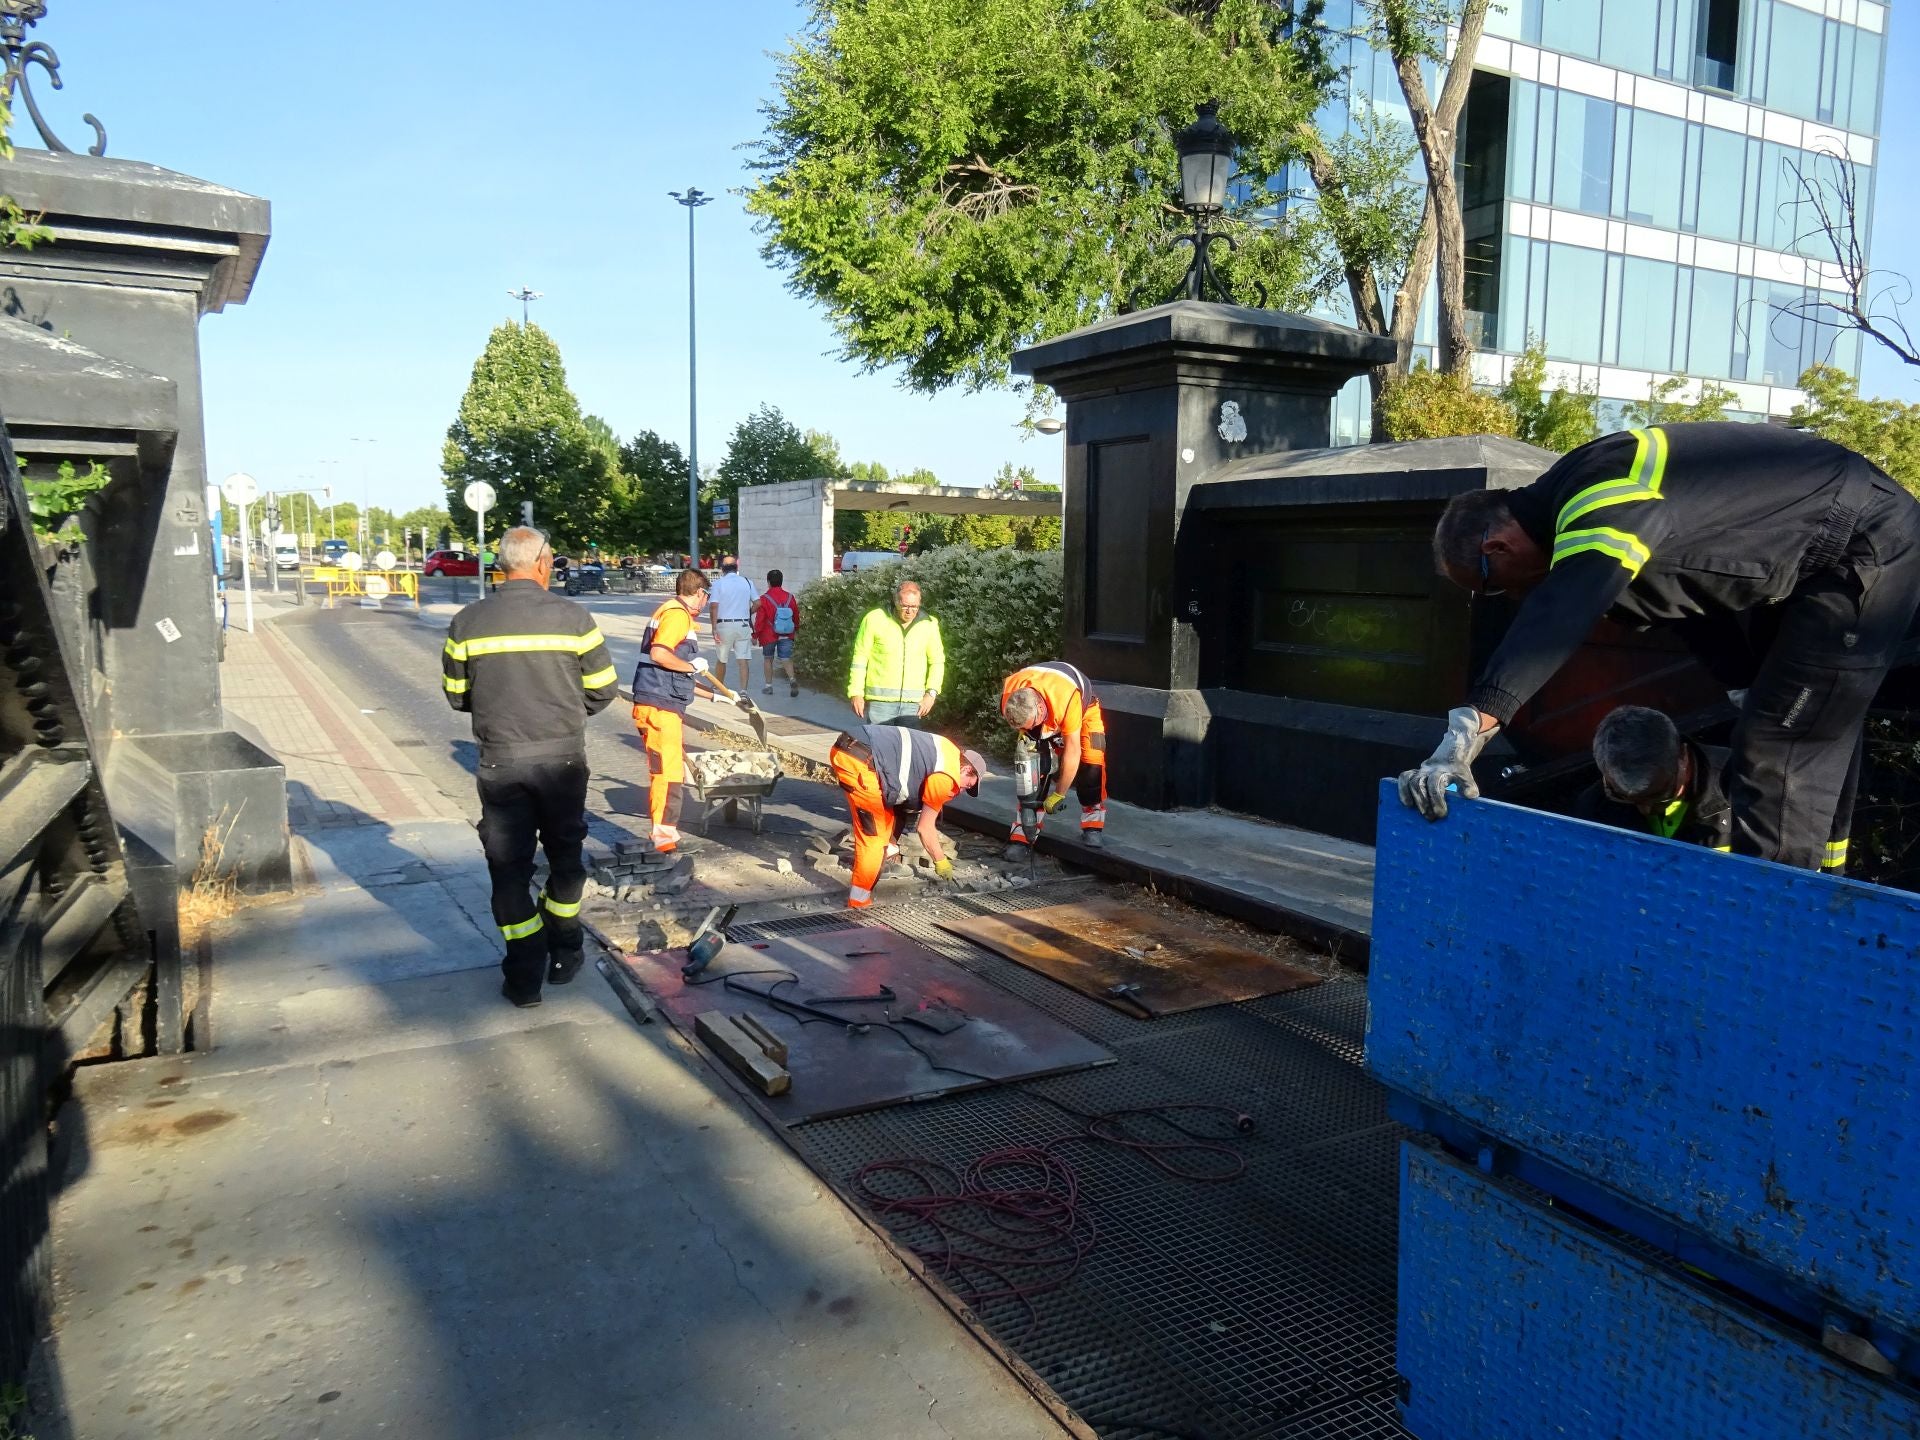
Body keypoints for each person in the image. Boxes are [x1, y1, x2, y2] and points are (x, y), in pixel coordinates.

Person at [1397, 422, 1920, 870]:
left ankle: (1774, 933)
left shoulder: (1598, 498)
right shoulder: (1580, 508)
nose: (1507, 596)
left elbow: (1559, 613)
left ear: (1497, 545)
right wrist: (1742, 679)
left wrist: (1466, 736)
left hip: (1860, 545)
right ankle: (1826, 893)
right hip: (1800, 561)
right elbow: (1689, 602)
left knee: (1776, 744)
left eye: (1491, 584)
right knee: (1801, 723)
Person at [442, 526, 618, 1008]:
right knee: (565, 859)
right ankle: (565, 954)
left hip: (502, 762)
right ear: (542, 562)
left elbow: (457, 696)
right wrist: (560, 713)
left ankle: (523, 978)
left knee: (508, 869)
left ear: (502, 564)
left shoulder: (467, 621)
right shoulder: (574, 618)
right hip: (562, 761)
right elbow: (603, 689)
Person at [828, 723, 985, 908]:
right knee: (874, 839)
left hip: (857, 747)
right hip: (860, 761)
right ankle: (858, 902)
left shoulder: (949, 750)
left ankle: (874, 867)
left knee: (886, 827)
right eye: (967, 785)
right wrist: (941, 860)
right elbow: (925, 828)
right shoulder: (946, 777)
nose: (960, 791)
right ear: (966, 770)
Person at [631, 569, 723, 855]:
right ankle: (663, 841)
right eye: (707, 596)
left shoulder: (670, 612)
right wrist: (692, 666)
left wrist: (715, 697)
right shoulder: (677, 615)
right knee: (668, 774)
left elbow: (672, 670)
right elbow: (660, 654)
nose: (706, 602)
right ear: (699, 592)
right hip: (659, 707)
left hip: (660, 702)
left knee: (669, 771)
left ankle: (665, 835)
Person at [1001, 661, 1107, 854]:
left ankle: (1093, 825)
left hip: (1084, 710)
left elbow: (1073, 752)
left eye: (1030, 725)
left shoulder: (1066, 699)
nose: (1029, 731)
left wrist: (1059, 794)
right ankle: (1022, 834)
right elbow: (1027, 733)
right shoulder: (1010, 698)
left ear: (1040, 710)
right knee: (1034, 771)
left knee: (1093, 764)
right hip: (1043, 710)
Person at [848, 579, 945, 728]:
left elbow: (937, 662)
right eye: (904, 605)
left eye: (914, 606)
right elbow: (860, 658)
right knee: (881, 749)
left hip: (914, 705)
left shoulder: (930, 624)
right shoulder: (874, 619)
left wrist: (931, 694)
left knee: (907, 750)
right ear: (895, 600)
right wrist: (856, 693)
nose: (909, 611)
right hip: (880, 703)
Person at [707, 557, 758, 695]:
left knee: (722, 659)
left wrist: (713, 627)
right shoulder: (747, 582)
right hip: (742, 624)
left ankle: (718, 686)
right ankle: (743, 691)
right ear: (736, 568)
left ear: (722, 569)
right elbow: (758, 603)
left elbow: (713, 606)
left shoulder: (718, 584)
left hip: (724, 625)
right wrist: (747, 614)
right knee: (743, 660)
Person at [753, 567, 801, 698]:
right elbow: (796, 615)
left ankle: (768, 687)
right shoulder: (790, 597)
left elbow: (760, 620)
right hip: (786, 633)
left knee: (768, 659)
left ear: (768, 582)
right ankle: (792, 680)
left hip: (769, 634)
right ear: (781, 581)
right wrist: (796, 629)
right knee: (786, 658)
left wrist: (755, 635)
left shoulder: (764, 599)